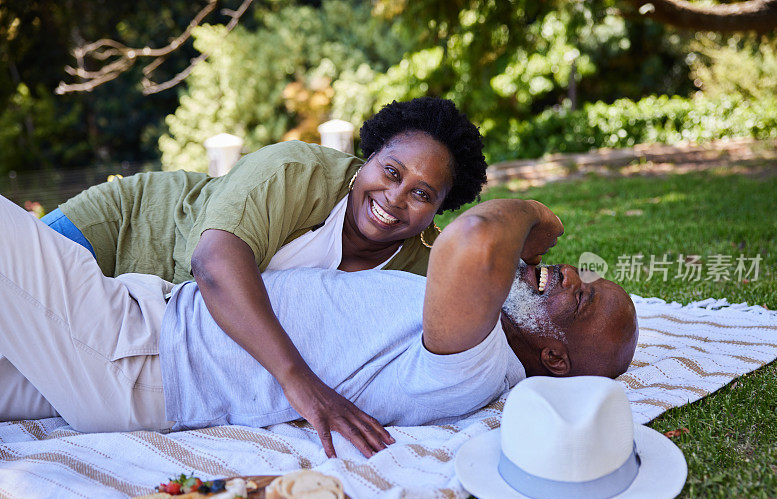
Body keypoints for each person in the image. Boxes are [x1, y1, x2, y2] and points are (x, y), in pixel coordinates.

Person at [0, 193, 638, 457]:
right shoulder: (475, 335)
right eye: (575, 273)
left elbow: (472, 237)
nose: (562, 273)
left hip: (134, 354)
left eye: (578, 298)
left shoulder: (476, 362)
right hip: (138, 348)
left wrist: (536, 217)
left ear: (555, 362)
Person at [38, 97, 488, 456]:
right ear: (368, 158)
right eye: (391, 171)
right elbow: (213, 265)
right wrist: (301, 384)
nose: (394, 197)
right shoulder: (297, 172)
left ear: (439, 209)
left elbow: (496, 291)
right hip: (118, 235)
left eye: (422, 194)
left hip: (139, 328)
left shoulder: (425, 258)